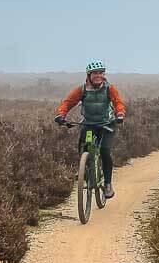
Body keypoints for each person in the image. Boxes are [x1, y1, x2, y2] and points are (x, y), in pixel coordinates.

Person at [54, 61, 126, 198]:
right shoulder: (82, 90)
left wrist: (120, 114)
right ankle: (84, 169)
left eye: (100, 73)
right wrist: (61, 115)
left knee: (105, 151)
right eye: (95, 73)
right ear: (89, 75)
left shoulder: (109, 88)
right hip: (89, 124)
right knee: (84, 144)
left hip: (107, 124)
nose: (98, 76)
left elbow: (118, 102)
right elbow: (68, 102)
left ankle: (108, 184)